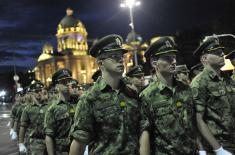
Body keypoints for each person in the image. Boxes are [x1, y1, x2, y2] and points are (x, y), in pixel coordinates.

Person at [69, 34, 140, 155]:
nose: (120, 59)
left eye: (121, 55)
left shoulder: (131, 94)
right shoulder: (89, 98)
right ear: (100, 63)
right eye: (114, 56)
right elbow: (79, 144)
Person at [139, 37, 199, 155]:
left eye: (174, 57)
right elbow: (144, 135)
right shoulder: (146, 96)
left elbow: (194, 124)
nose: (174, 62)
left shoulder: (186, 89)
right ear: (154, 63)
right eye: (167, 58)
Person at [191, 36, 235, 154]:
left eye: (222, 52)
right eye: (216, 53)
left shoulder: (227, 79)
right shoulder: (199, 83)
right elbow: (197, 119)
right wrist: (218, 149)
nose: (222, 54)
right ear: (205, 59)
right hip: (218, 144)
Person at [44, 69, 77, 155]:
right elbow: (49, 135)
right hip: (62, 152)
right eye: (63, 81)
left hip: (80, 149)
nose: (67, 83)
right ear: (56, 86)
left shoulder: (80, 103)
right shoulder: (53, 109)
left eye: (69, 80)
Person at [19, 80, 49, 155]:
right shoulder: (28, 109)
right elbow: (23, 127)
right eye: (36, 91)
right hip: (36, 142)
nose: (39, 93)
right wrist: (20, 143)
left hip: (50, 139)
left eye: (40, 91)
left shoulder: (50, 105)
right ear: (32, 93)